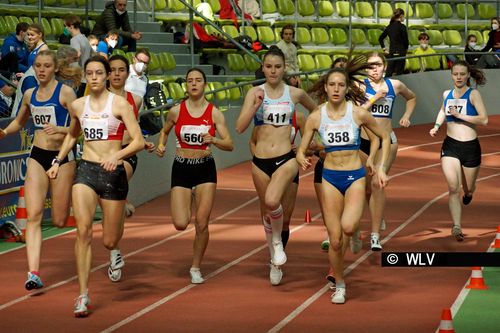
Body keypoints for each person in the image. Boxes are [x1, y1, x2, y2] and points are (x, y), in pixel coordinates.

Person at [46, 55, 144, 317]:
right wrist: (58, 160)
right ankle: (83, 294)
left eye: (99, 73)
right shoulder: (78, 105)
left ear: (106, 75)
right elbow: (72, 134)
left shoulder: (121, 105)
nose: (95, 77)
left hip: (113, 174)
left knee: (110, 241)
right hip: (86, 171)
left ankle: (118, 227)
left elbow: (138, 141)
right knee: (83, 231)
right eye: (90, 73)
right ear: (86, 77)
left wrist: (117, 156)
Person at [296, 56, 390, 304]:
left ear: (347, 88)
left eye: (340, 85)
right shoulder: (316, 117)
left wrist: (378, 166)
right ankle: (339, 283)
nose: (336, 89)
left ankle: (355, 228)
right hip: (329, 178)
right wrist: (300, 157)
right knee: (335, 239)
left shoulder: (357, 113)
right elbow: (302, 147)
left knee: (348, 228)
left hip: (355, 176)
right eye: (332, 85)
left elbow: (383, 137)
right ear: (325, 88)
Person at [236, 46, 317, 286]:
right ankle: (274, 260)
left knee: (278, 207)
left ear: (285, 68)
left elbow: (317, 114)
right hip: (260, 162)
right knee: (267, 213)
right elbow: (240, 127)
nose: (273, 71)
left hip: (286, 159)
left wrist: (304, 147)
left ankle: (278, 245)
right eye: (269, 67)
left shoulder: (295, 94)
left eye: (278, 67)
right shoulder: (254, 92)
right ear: (263, 68)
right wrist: (255, 106)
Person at [0, 50, 77, 291]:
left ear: (55, 68)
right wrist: (3, 132)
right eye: (38, 66)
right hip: (37, 155)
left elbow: (80, 127)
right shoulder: (29, 94)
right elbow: (19, 122)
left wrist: (60, 130)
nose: (42, 70)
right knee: (33, 217)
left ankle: (83, 194)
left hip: (62, 156)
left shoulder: (65, 93)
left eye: (46, 66)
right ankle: (33, 272)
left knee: (59, 218)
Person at [155, 68, 234, 284]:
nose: (194, 84)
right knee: (180, 224)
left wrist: (213, 140)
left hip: (204, 168)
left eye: (198, 80)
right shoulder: (176, 111)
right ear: (186, 86)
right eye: (190, 81)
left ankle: (196, 266)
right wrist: (161, 145)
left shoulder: (214, 113)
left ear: (205, 85)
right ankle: (189, 196)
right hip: (181, 167)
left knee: (201, 222)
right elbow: (164, 131)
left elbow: (230, 144)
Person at [360, 52, 416, 251]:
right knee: (366, 188)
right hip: (364, 143)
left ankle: (375, 235)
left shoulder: (395, 85)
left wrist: (406, 116)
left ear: (384, 66)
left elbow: (411, 97)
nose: (374, 69)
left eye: (377, 65)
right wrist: (374, 98)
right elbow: (357, 112)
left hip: (387, 142)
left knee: (378, 184)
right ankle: (378, 213)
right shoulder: (360, 86)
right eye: (370, 66)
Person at [429, 61, 488, 241]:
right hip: (451, 146)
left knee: (468, 187)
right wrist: (437, 126)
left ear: (468, 75)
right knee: (453, 187)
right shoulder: (447, 94)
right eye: (456, 74)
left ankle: (469, 193)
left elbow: (484, 119)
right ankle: (456, 226)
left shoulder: (473, 94)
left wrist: (460, 115)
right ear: (451, 75)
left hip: (470, 147)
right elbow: (442, 110)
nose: (459, 77)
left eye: (463, 74)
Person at [105, 54, 149, 281]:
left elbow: (135, 132)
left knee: (113, 182)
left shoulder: (135, 100)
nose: (117, 74)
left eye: (121, 70)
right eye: (112, 70)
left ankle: (114, 253)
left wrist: (144, 141)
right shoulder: (97, 98)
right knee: (110, 209)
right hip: (99, 158)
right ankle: (115, 249)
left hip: (126, 157)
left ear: (127, 72)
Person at [249, 111, 305, 252]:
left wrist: (299, 151)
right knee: (268, 216)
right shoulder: (264, 114)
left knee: (285, 220)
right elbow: (252, 142)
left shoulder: (298, 117)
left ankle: (278, 257)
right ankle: (274, 256)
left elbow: (309, 145)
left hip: (287, 165)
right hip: (265, 167)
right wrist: (259, 159)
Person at [64, 14, 92, 97]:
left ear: (71, 26)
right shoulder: (85, 39)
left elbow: (77, 53)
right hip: (85, 78)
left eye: (65, 26)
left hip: (78, 78)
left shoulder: (74, 40)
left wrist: (66, 61)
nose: (65, 29)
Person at [379, 8, 409, 77]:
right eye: (403, 16)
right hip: (401, 51)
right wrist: (406, 50)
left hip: (392, 51)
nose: (404, 18)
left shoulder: (389, 27)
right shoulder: (402, 27)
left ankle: (385, 86)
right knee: (399, 73)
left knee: (389, 72)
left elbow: (380, 38)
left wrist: (384, 49)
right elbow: (406, 41)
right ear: (401, 16)